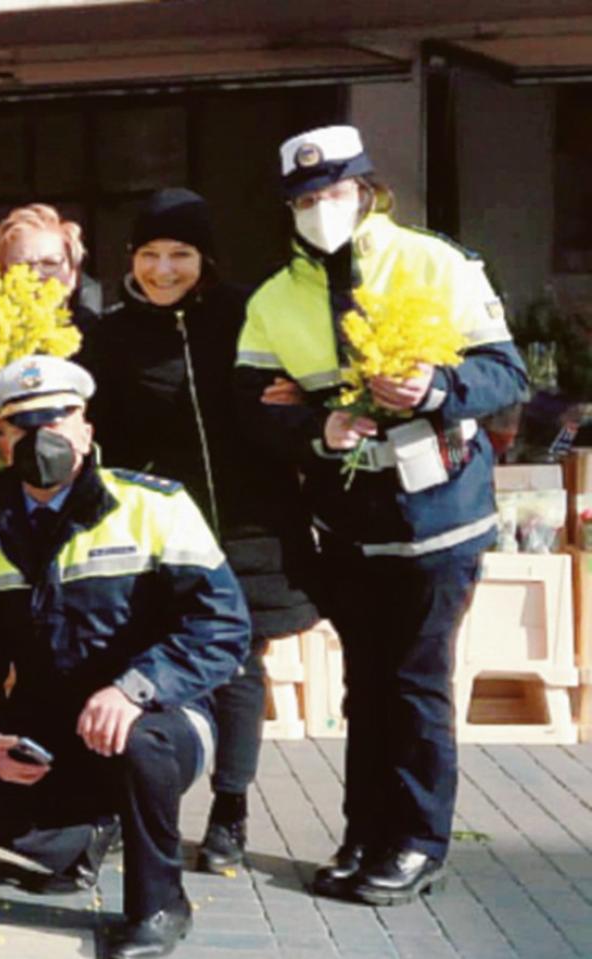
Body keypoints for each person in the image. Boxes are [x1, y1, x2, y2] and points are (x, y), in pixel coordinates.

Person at [234, 125, 528, 906]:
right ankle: (365, 832)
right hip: (349, 524)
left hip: (441, 515)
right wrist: (314, 428)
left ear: (366, 190)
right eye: (303, 198)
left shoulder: (437, 263)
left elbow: (505, 373)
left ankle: (418, 841)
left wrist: (435, 388)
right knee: (366, 687)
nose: (319, 208)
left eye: (332, 192)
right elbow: (248, 409)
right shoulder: (274, 298)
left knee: (414, 682)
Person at [0, 354, 249, 959]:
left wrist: (135, 689)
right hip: (47, 733)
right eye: (24, 425)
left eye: (59, 420)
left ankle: (159, 907)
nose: (43, 439)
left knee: (140, 744)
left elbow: (222, 627)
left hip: (160, 717)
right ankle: (88, 836)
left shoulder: (156, 507)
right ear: (2, 438)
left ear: (87, 430)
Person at [83, 189, 319, 873]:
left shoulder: (249, 315)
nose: (163, 269)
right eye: (150, 254)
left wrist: (306, 397)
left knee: (239, 664)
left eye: (179, 254)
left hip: (248, 519)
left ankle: (230, 810)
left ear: (205, 258)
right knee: (148, 660)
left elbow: (297, 380)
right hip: (158, 529)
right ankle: (135, 802)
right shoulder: (113, 333)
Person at [0, 203, 103, 335]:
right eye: (21, 266)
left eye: (50, 263)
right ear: (2, 274)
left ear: (73, 274)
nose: (36, 274)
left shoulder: (101, 337)